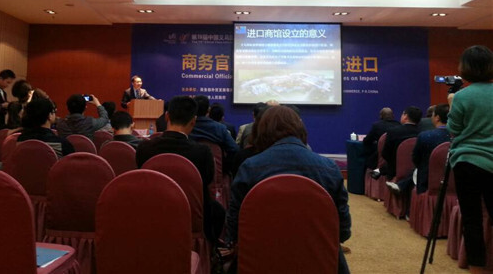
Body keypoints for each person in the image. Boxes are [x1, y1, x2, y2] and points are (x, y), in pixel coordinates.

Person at [225, 106, 351, 274]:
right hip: (317, 261)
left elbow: (234, 229)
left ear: (262, 131)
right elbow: (343, 231)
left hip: (259, 260)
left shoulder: (249, 168)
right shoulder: (330, 168)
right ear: (300, 129)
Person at [136, 96, 225, 242]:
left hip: (153, 212)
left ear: (167, 116)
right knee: (217, 210)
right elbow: (207, 182)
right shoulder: (202, 152)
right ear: (193, 121)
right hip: (191, 217)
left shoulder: (144, 148)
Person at [447, 45, 493, 274]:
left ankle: (477, 269)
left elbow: (453, 129)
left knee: (472, 220)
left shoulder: (462, 96)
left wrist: (451, 104)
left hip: (468, 162)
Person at [189, 95, 239, 174]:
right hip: (216, 173)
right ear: (209, 109)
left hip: (189, 171)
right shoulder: (220, 128)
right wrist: (224, 167)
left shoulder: (187, 126)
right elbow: (235, 149)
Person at [412, 103, 450, 194]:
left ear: (437, 118)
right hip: (454, 184)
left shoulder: (424, 136)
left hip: (427, 184)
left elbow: (416, 159)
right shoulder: (458, 137)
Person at [379, 106, 422, 180]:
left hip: (394, 172)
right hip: (416, 174)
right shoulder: (422, 133)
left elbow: (385, 154)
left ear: (405, 116)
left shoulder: (393, 132)